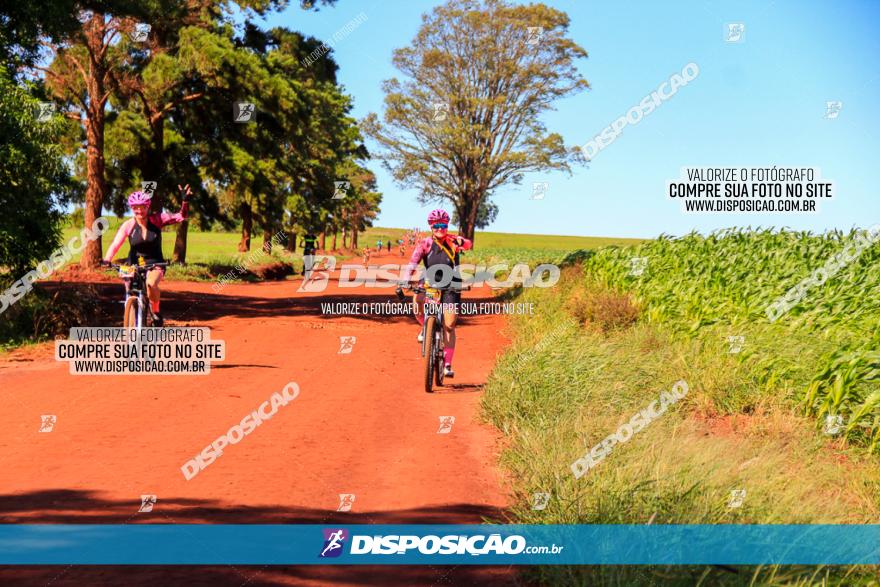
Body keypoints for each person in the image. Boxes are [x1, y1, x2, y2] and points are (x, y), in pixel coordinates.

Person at [102, 185, 190, 327]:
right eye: (136, 207)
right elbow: (115, 244)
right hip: (133, 263)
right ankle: (130, 312)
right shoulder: (128, 225)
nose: (139, 210)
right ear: (132, 208)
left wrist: (185, 202)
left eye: (142, 207)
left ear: (147, 206)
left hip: (155, 263)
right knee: (127, 283)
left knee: (150, 284)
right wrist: (107, 259)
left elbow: (181, 216)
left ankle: (155, 312)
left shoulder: (157, 220)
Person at [402, 209, 472, 378]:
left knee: (449, 324)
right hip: (429, 281)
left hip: (451, 283)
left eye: (443, 226)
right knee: (417, 300)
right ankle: (424, 327)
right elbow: (413, 263)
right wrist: (405, 280)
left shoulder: (453, 241)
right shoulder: (424, 244)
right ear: (431, 227)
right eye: (436, 226)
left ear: (447, 226)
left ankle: (447, 364)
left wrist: (462, 241)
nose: (440, 229)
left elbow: (468, 245)